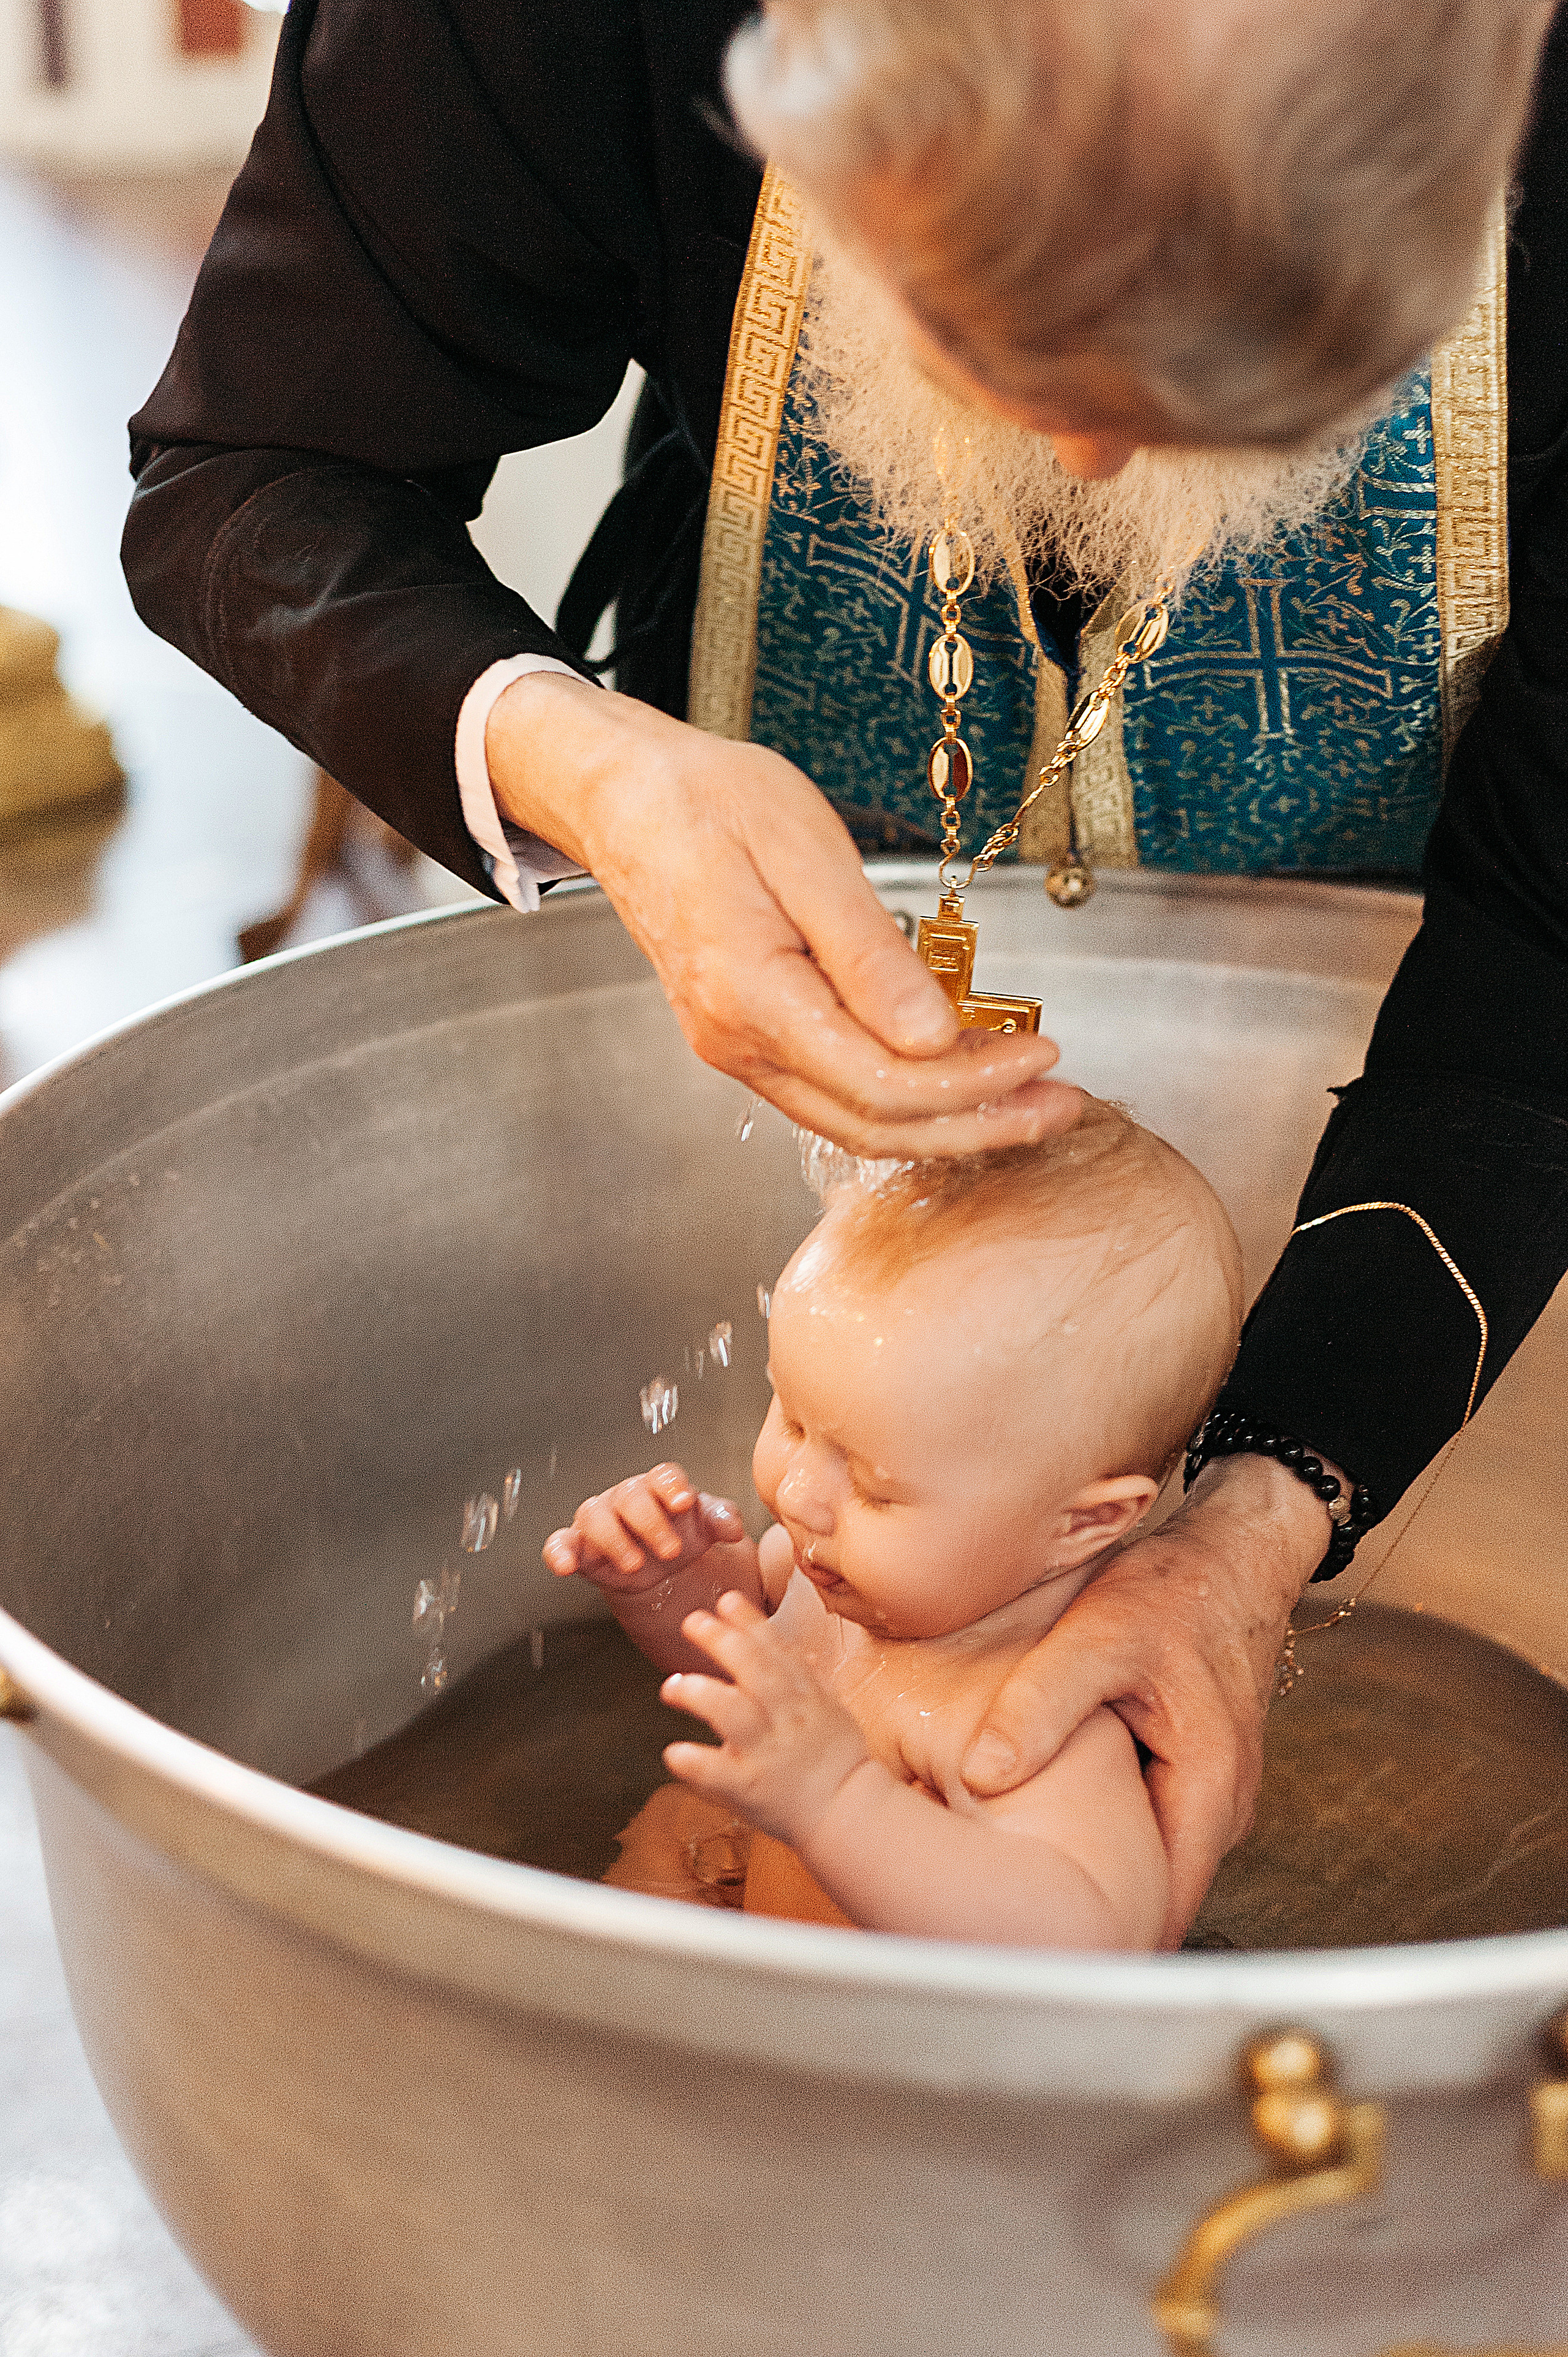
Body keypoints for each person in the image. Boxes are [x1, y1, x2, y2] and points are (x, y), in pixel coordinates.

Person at [119, 0, 1568, 1943]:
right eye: (992, 331)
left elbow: (1550, 932)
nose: (1086, 452)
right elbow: (257, 467)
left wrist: (1259, 1517)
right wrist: (584, 764)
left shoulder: (1044, 1737)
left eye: (1250, 384)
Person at [543, 1107, 1243, 1946]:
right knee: (682, 1820)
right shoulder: (831, 1576)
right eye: (792, 1418)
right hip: (771, 1944)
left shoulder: (1029, 1710)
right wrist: (661, 1582)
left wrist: (837, 1800)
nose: (796, 1493)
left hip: (889, 2023)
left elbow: (1089, 1941)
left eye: (876, 1488)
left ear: (1081, 1523)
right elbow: (734, 1674)